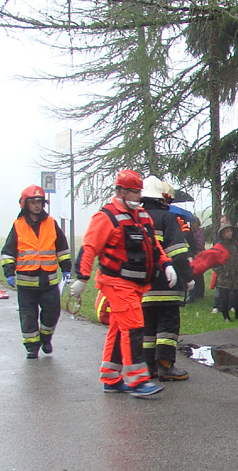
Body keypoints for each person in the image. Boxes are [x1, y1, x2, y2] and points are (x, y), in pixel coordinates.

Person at [70, 169, 177, 398]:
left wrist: (166, 263)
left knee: (119, 330)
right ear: (120, 191)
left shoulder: (142, 216)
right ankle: (138, 381)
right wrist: (81, 278)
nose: (138, 196)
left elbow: (153, 245)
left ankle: (111, 377)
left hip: (136, 283)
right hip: (116, 282)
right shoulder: (106, 216)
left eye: (139, 192)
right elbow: (89, 247)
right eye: (133, 192)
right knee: (133, 327)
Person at [1, 185, 72, 359]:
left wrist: (67, 269)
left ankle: (46, 338)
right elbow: (8, 252)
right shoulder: (18, 226)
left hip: (48, 281)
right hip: (26, 282)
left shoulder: (51, 223)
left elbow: (62, 248)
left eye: (39, 202)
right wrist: (9, 272)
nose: (37, 206)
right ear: (25, 204)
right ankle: (32, 347)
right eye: (33, 202)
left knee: (52, 312)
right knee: (28, 316)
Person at [139, 176, 195, 380]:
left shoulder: (136, 217)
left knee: (148, 328)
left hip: (143, 287)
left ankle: (148, 367)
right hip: (167, 285)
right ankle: (165, 365)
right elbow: (178, 253)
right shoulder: (167, 218)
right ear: (163, 199)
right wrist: (189, 278)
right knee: (167, 327)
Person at [213, 222, 238, 322]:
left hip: (237, 275)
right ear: (222, 234)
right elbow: (214, 262)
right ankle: (226, 316)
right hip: (224, 278)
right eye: (227, 231)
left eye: (230, 231)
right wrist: (222, 272)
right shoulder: (218, 246)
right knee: (224, 298)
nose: (229, 233)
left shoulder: (235, 244)